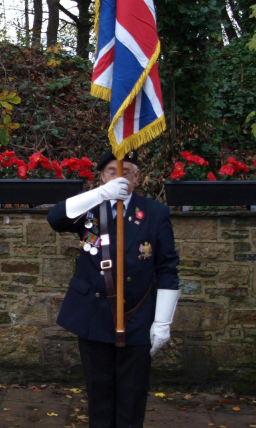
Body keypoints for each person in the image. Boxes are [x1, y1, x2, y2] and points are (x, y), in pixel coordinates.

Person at [47, 150, 181, 428]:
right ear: (101, 175)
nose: (119, 177)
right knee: (99, 395)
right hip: (93, 315)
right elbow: (55, 219)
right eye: (111, 171)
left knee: (132, 398)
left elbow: (167, 268)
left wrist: (163, 322)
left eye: (126, 171)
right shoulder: (90, 207)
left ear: (137, 176)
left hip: (136, 317)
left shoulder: (155, 213)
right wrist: (101, 194)